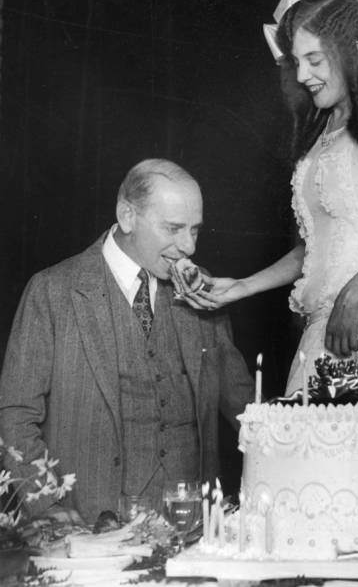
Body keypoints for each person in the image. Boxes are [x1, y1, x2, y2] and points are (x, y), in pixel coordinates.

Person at [183, 0, 358, 396]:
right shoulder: (318, 137)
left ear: (352, 49)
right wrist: (241, 286)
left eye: (314, 60)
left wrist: (351, 298)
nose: (301, 75)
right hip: (329, 323)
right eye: (297, 62)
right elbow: (313, 250)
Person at [0, 159, 253, 525]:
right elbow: (15, 415)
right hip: (88, 532)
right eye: (174, 228)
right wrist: (47, 504)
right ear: (127, 216)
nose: (188, 247)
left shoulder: (203, 288)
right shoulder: (52, 291)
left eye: (195, 230)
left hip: (189, 528)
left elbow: (243, 403)